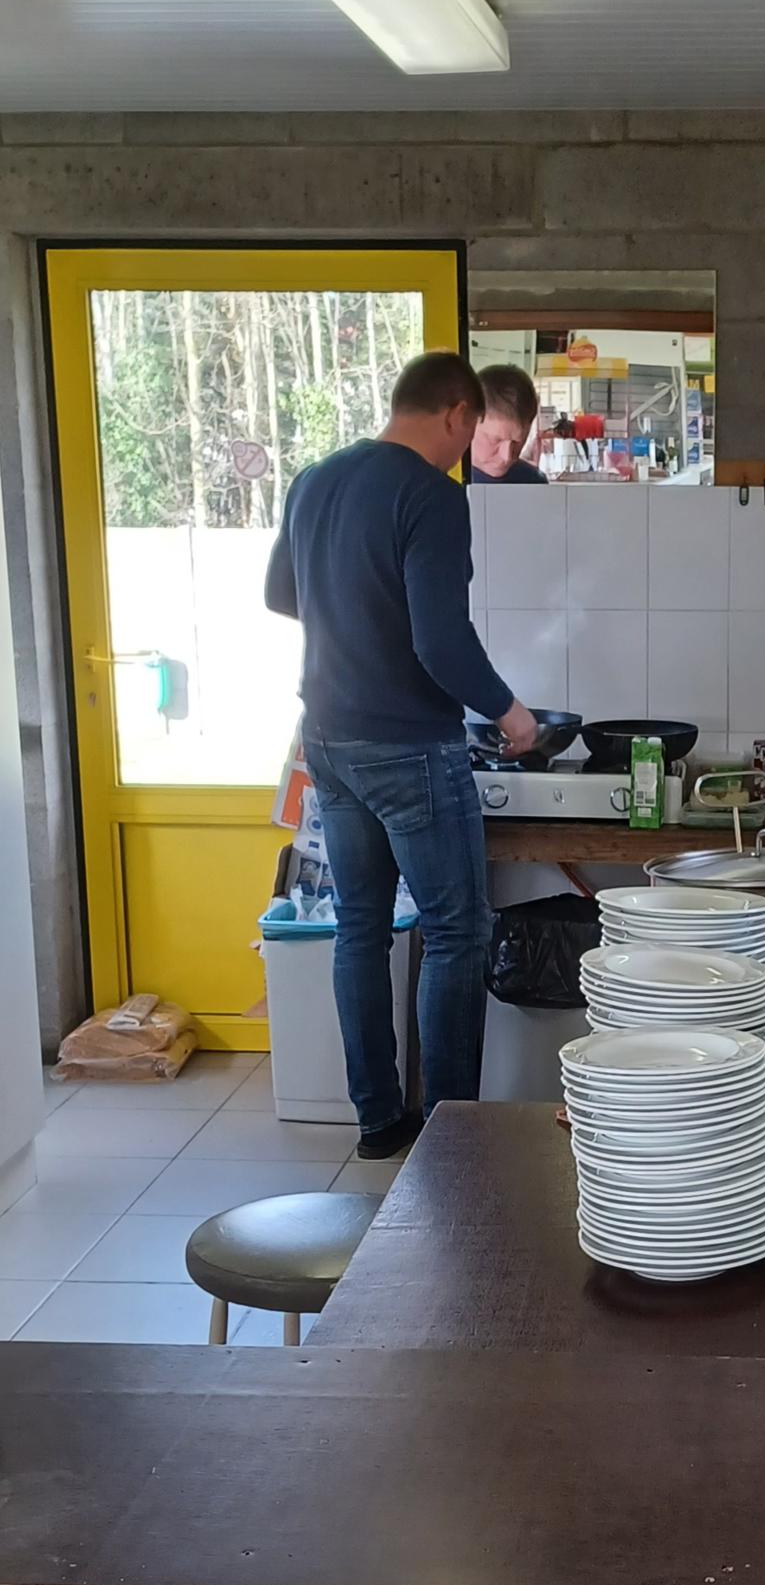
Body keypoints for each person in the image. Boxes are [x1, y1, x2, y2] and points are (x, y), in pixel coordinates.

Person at [264, 353, 538, 1159]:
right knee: (456, 931)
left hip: (328, 737)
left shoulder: (315, 479)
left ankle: (380, 1123)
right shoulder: (430, 496)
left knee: (361, 927)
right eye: (473, 431)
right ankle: (448, 1140)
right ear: (456, 414)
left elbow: (280, 594)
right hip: (408, 744)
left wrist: (353, 616)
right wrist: (509, 710)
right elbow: (440, 640)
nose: (468, 450)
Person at [469, 363, 547, 483]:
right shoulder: (444, 480)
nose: (507, 457)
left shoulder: (533, 482)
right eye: (495, 440)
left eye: (517, 442)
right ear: (468, 423)